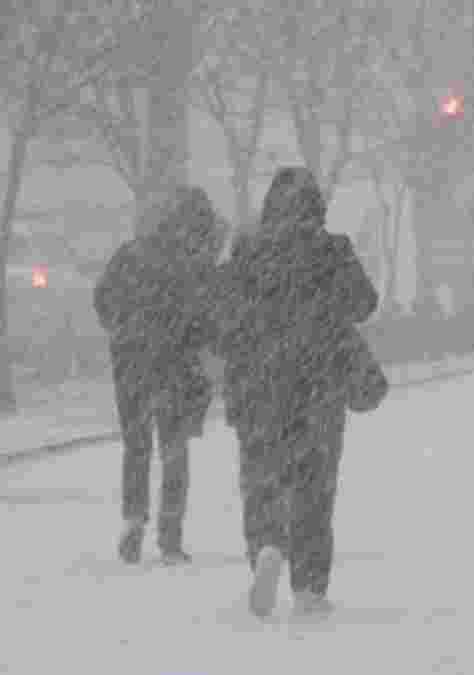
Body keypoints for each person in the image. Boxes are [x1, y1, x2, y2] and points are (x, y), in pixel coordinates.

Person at [212, 167, 379, 618]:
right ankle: (309, 585)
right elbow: (365, 303)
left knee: (261, 477)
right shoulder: (333, 250)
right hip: (318, 386)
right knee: (314, 486)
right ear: (317, 206)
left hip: (257, 386)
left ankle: (266, 546)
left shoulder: (248, 250)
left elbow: (220, 317)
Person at [93, 186, 221, 565]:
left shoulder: (129, 254)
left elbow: (102, 298)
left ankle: (134, 519)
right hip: (174, 368)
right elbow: (204, 318)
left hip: (131, 364)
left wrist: (121, 330)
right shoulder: (190, 263)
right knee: (173, 451)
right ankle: (170, 536)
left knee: (136, 447)